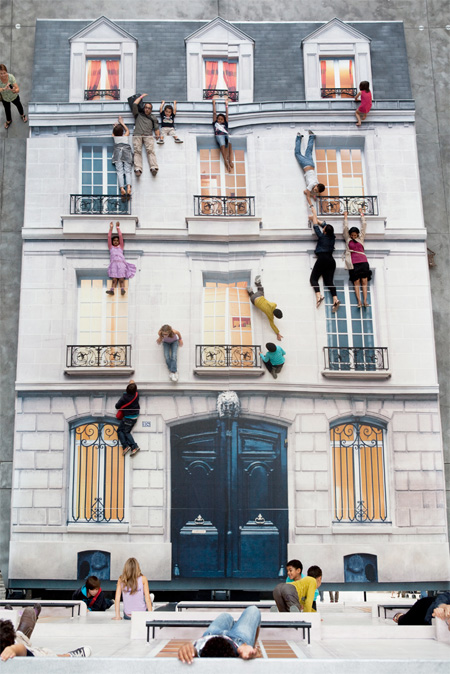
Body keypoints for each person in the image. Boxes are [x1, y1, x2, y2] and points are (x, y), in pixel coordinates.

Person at [0, 607, 91, 659]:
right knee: (51, 659)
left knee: (47, 657)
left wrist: (13, 650)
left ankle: (21, 634)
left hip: (22, 650)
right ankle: (22, 634)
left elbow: (21, 649)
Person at [177, 606, 261, 663]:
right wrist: (249, 649)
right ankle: (252, 643)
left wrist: (187, 648)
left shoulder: (199, 653)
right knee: (253, 610)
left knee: (226, 616)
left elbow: (193, 651)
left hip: (211, 635)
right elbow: (247, 652)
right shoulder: (240, 652)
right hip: (238, 640)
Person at [308, 203, 340, 312]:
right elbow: (324, 225)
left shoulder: (322, 236)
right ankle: (335, 299)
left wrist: (314, 214)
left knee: (313, 279)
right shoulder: (332, 237)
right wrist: (314, 218)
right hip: (331, 260)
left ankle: (319, 296)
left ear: (325, 231)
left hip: (322, 258)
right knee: (329, 282)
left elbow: (316, 224)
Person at [343, 209, 372, 308]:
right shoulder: (348, 239)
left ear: (357, 235)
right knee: (356, 282)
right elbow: (345, 228)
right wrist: (345, 217)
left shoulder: (361, 238)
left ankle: (365, 300)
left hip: (363, 261)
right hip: (354, 263)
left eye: (355, 235)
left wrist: (362, 214)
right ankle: (359, 301)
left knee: (364, 281)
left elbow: (364, 226)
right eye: (352, 235)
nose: (354, 237)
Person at [131, 93, 161, 176]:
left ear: (151, 110)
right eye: (146, 107)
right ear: (144, 108)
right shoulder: (138, 114)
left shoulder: (153, 117)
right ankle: (138, 169)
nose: (147, 109)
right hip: (137, 134)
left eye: (149, 108)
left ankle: (153, 167)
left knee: (150, 151)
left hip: (148, 135)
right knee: (137, 151)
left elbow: (156, 128)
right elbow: (134, 104)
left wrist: (158, 135)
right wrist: (141, 97)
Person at [247, 276, 283, 340]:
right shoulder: (270, 315)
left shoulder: (273, 305)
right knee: (253, 298)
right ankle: (250, 292)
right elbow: (272, 325)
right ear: (274, 315)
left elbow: (275, 304)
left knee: (261, 290)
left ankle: (257, 283)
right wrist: (278, 333)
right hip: (253, 300)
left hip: (259, 295)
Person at [106, 221, 136, 296]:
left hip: (121, 263)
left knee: (121, 279)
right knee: (114, 279)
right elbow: (109, 237)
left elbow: (121, 236)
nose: (116, 242)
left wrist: (118, 228)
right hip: (113, 264)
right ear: (112, 242)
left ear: (119, 242)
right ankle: (112, 290)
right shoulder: (111, 247)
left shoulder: (121, 247)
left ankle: (122, 289)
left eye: (117, 241)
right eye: (114, 241)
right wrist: (111, 228)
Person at [294, 131, 325, 202]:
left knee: (309, 150)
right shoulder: (311, 184)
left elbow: (305, 191)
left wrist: (313, 195)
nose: (314, 190)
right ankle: (299, 136)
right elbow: (307, 195)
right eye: (316, 189)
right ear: (317, 185)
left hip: (311, 164)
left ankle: (312, 136)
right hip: (306, 165)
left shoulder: (316, 182)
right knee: (297, 153)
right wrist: (312, 198)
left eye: (316, 191)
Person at [115, 379, 140, 457]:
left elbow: (117, 406)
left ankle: (132, 446)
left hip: (128, 418)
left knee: (123, 431)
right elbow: (133, 387)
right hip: (135, 416)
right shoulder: (136, 395)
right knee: (123, 431)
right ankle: (128, 447)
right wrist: (132, 383)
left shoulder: (124, 397)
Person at [112, 116, 133, 199]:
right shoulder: (125, 136)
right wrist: (122, 123)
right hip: (126, 152)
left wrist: (115, 127)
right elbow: (128, 130)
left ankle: (121, 188)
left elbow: (114, 133)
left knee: (120, 171)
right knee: (127, 171)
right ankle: (128, 187)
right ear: (122, 132)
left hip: (118, 153)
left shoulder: (115, 138)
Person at [0, 64, 27, 129]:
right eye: (1, 73)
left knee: (19, 105)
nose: (3, 75)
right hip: (5, 98)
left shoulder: (11, 77)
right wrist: (4, 88)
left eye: (4, 73)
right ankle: (9, 120)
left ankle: (22, 115)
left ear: (6, 71)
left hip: (13, 96)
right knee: (7, 109)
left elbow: (18, 89)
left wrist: (14, 90)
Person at [212, 96, 233, 172]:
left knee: (230, 142)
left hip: (225, 134)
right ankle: (225, 161)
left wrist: (226, 105)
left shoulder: (225, 124)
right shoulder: (215, 123)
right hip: (219, 135)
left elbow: (227, 115)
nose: (220, 120)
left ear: (223, 120)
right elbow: (214, 113)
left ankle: (230, 159)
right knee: (222, 145)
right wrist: (214, 104)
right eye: (219, 119)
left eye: (221, 119)